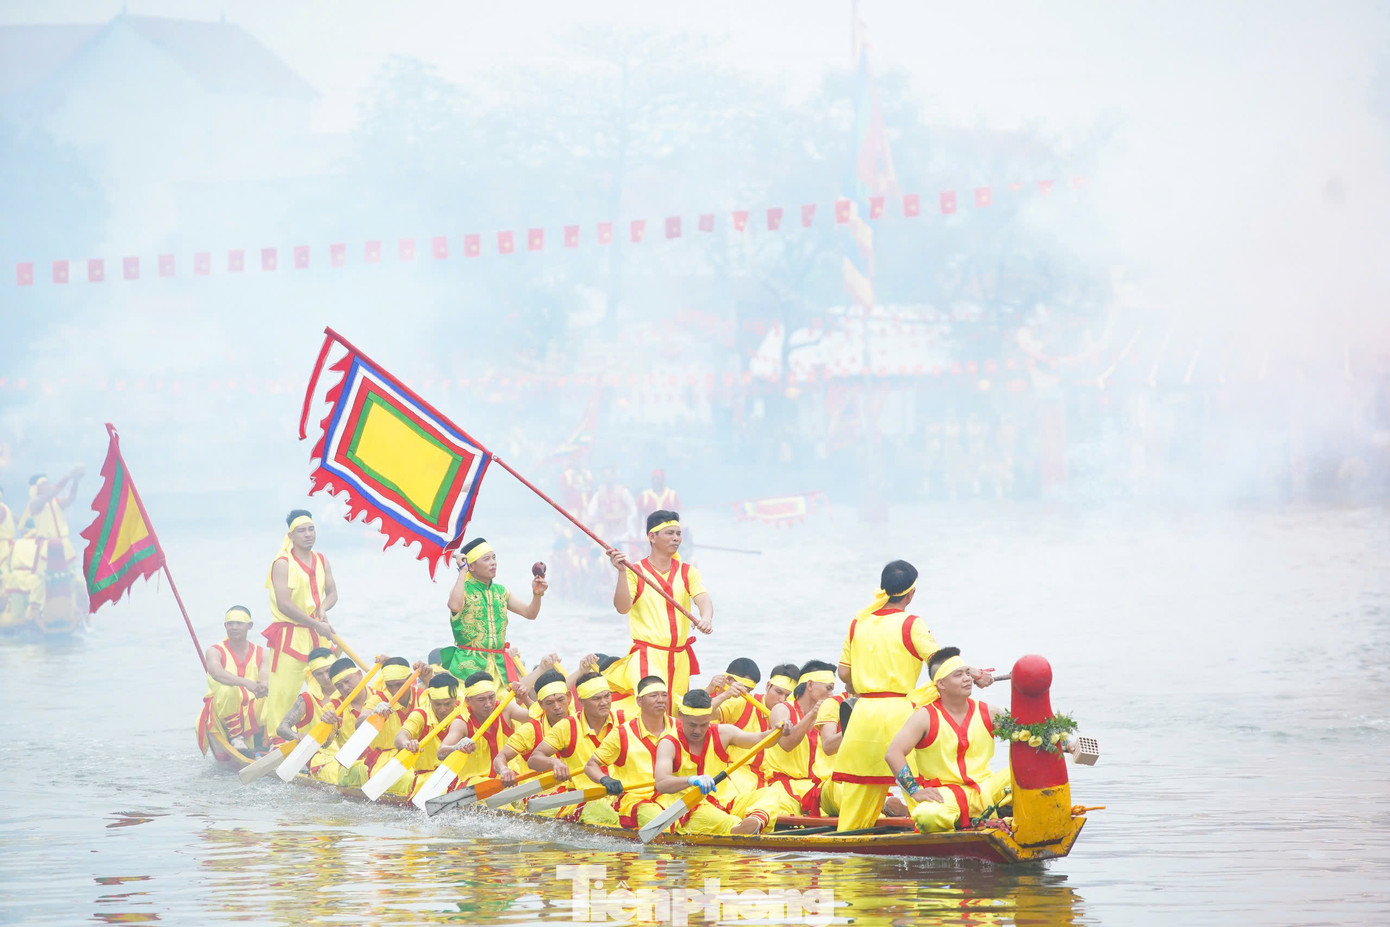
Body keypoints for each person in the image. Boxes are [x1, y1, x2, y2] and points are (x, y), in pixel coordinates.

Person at [831, 559, 941, 832]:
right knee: (918, 787)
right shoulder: (912, 623)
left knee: (859, 794)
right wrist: (971, 673)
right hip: (900, 715)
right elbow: (940, 665)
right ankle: (935, 832)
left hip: (863, 717)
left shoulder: (858, 622)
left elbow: (843, 674)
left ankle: (847, 846)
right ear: (911, 593)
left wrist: (862, 687)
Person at [885, 647, 1004, 833]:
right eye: (958, 675)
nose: (967, 679)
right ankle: (963, 823)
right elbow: (893, 753)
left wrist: (1065, 744)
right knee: (925, 817)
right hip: (946, 795)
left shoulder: (990, 711)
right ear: (941, 684)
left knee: (1026, 775)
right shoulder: (924, 716)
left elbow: (1026, 734)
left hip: (987, 787)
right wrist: (914, 790)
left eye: (967, 673)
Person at [606, 510, 713, 699]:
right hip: (648, 656)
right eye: (669, 533)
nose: (676, 538)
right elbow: (622, 608)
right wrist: (621, 572)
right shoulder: (634, 571)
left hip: (680, 658)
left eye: (678, 534)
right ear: (652, 537)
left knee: (675, 713)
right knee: (653, 707)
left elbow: (702, 598)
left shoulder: (688, 571)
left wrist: (705, 618)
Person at [649, 689, 787, 836]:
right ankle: (741, 829)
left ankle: (755, 821)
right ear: (681, 716)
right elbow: (662, 783)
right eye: (692, 724)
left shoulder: (724, 733)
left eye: (704, 725)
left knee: (771, 793)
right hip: (690, 806)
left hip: (726, 800)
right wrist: (692, 780)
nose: (698, 730)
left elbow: (761, 739)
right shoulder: (668, 743)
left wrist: (780, 729)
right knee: (727, 821)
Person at [732, 662, 835, 829]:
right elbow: (787, 743)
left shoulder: (830, 712)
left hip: (819, 786)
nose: (831, 695)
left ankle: (885, 808)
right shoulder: (782, 709)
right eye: (828, 688)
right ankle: (754, 824)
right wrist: (811, 715)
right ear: (809, 685)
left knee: (844, 789)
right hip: (784, 785)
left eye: (833, 689)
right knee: (773, 802)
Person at [262, 510, 338, 735]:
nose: (308, 534)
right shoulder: (282, 563)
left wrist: (323, 609)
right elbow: (284, 604)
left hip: (319, 633)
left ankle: (327, 735)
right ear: (291, 535)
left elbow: (333, 593)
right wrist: (316, 623)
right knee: (284, 691)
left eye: (311, 529)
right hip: (290, 635)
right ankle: (278, 739)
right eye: (301, 531)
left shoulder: (322, 559)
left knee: (327, 687)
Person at [442, 537, 547, 688]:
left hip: (499, 667)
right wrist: (462, 571)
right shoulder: (462, 588)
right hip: (468, 668)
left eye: (494, 558)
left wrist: (537, 594)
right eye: (486, 559)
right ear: (472, 566)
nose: (493, 562)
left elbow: (530, 613)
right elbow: (454, 605)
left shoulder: (501, 591)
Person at [528, 670, 624, 820]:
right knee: (607, 814)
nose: (604, 702)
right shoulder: (567, 726)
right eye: (596, 698)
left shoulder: (624, 720)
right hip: (584, 799)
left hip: (623, 794)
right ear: (581, 701)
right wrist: (554, 762)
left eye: (607, 696)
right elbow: (534, 759)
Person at [581, 676, 671, 827]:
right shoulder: (622, 733)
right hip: (636, 799)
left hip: (672, 796)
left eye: (664, 695)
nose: (660, 700)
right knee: (662, 822)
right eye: (654, 695)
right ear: (639, 701)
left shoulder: (680, 728)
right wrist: (605, 780)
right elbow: (591, 766)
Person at [195, 607, 268, 755]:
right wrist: (246, 683)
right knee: (228, 689)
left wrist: (264, 686)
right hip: (223, 710)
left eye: (239, 623)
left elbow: (265, 678)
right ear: (225, 626)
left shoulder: (263, 653)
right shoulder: (214, 651)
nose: (234, 627)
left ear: (250, 625)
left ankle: (273, 740)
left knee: (277, 695)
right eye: (230, 623)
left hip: (251, 707)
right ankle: (235, 737)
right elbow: (217, 673)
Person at [492, 669, 573, 781]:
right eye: (549, 702)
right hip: (540, 793)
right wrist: (504, 770)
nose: (557, 707)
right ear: (540, 704)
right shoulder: (531, 729)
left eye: (560, 700)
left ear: (569, 697)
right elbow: (500, 758)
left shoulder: (582, 721)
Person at [394, 672, 462, 797]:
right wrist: (407, 743)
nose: (442, 709)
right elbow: (400, 738)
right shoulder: (420, 715)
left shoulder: (465, 713)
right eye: (437, 704)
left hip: (460, 777)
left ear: (455, 699)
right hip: (428, 778)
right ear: (430, 699)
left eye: (447, 704)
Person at [705, 658, 766, 798]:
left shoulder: (743, 703)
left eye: (749, 690)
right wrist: (712, 690)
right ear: (729, 679)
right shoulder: (704, 694)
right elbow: (695, 714)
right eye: (741, 688)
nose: (745, 695)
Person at [273, 647, 337, 744]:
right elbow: (282, 728)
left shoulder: (351, 691)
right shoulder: (307, 699)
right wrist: (297, 736)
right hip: (318, 754)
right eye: (319, 674)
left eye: (328, 671)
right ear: (313, 676)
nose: (326, 677)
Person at [24, 468, 83, 568]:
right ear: (36, 488)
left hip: (64, 545)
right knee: (46, 579)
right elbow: (53, 492)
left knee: (71, 577)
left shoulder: (56, 501)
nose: (47, 486)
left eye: (47, 483)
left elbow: (71, 499)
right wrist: (69, 476)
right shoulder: (34, 503)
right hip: (47, 547)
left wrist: (76, 481)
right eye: (43, 484)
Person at [586, 466, 637, 544]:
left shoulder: (623, 491)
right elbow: (591, 512)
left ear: (614, 476)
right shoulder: (599, 493)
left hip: (622, 533)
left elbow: (633, 510)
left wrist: (631, 529)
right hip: (607, 534)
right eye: (605, 476)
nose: (607, 478)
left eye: (609, 475)